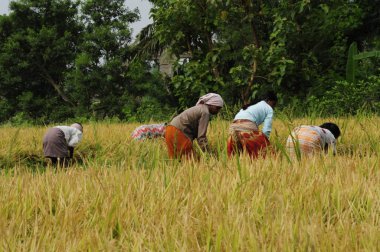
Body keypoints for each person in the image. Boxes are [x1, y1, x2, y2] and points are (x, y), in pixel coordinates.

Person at [165, 93, 224, 158]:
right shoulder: (205, 112)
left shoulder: (199, 108)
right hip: (179, 132)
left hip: (169, 130)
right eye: (217, 108)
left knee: (175, 160)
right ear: (211, 104)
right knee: (193, 162)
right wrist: (209, 154)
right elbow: (201, 137)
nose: (218, 111)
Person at [227, 91, 278, 158]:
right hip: (246, 128)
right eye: (273, 104)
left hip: (233, 129)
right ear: (268, 101)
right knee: (267, 155)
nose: (273, 107)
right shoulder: (269, 109)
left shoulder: (252, 105)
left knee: (237, 156)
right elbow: (266, 129)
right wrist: (264, 142)